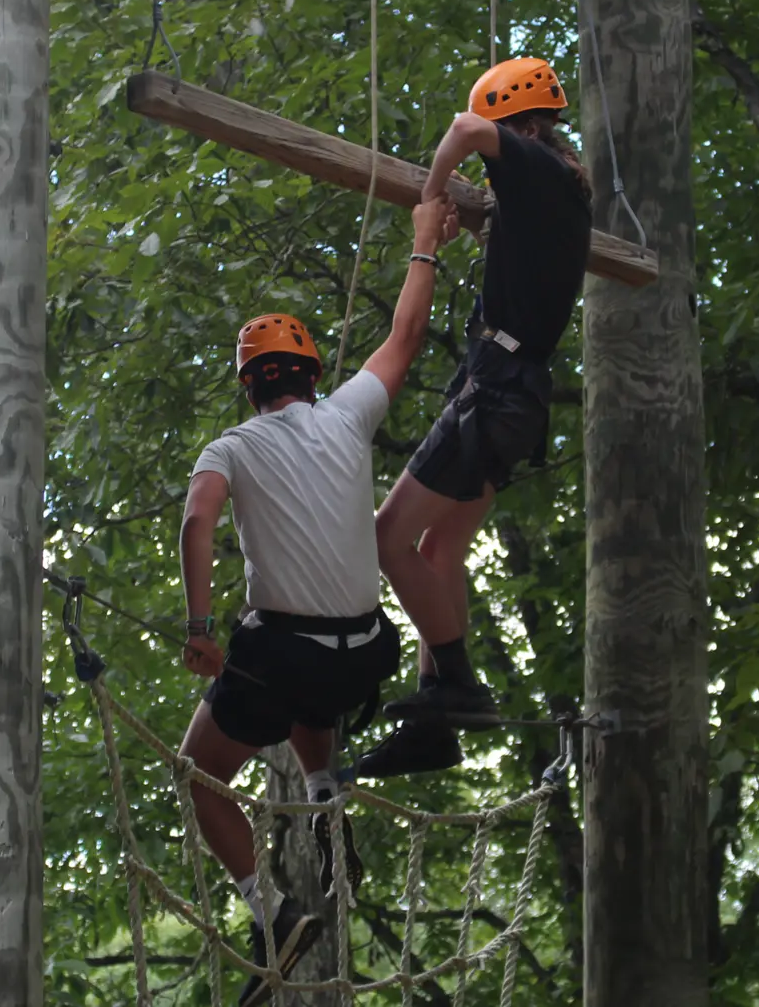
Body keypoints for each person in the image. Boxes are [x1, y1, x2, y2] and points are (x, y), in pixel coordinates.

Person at [175, 195, 459, 1007]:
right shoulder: (349, 415)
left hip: (289, 657)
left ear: (249, 385)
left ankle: (271, 912)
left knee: (202, 772)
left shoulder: (231, 445)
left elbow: (198, 519)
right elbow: (403, 337)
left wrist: (199, 628)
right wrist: (424, 243)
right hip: (366, 651)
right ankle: (327, 796)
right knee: (309, 681)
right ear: (309, 375)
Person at [355, 58, 594, 779]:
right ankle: (440, 717)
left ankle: (456, 681)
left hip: (495, 392)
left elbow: (464, 129)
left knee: (387, 538)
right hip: (510, 394)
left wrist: (429, 206)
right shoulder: (556, 191)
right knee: (438, 551)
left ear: (519, 122)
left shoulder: (537, 166)